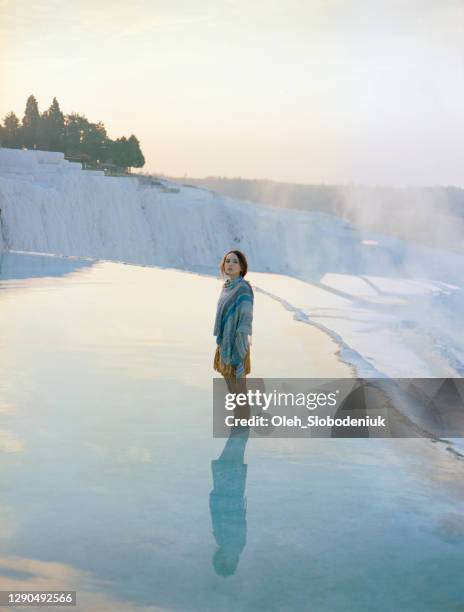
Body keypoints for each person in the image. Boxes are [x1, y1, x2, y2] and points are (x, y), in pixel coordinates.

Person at [213, 250, 254, 381]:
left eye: (235, 261)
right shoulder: (226, 287)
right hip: (225, 341)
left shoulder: (243, 288)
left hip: (237, 343)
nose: (230, 264)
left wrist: (238, 347)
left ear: (242, 267)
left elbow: (246, 318)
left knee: (238, 391)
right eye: (227, 261)